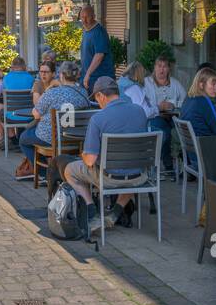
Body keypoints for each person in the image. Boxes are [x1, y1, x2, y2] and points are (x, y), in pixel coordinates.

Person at [59, 77, 149, 235]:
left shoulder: (98, 119)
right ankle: (114, 213)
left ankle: (91, 209)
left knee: (69, 170)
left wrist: (83, 153)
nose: (97, 102)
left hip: (109, 179)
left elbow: (90, 160)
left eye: (96, 98)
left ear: (101, 95)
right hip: (139, 177)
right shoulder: (140, 111)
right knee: (130, 167)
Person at [17, 60, 88, 180]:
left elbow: (36, 114)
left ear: (61, 75)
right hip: (76, 139)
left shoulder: (52, 93)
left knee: (23, 138)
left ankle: (45, 174)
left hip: (51, 138)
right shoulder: (83, 93)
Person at [144, 55, 186, 177]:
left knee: (182, 131)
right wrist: (159, 106)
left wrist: (173, 105)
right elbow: (144, 103)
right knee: (165, 133)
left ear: (169, 69)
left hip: (173, 116)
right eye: (159, 66)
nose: (162, 69)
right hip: (155, 116)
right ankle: (168, 166)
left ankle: (186, 165)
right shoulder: (147, 83)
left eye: (164, 66)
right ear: (155, 68)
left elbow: (185, 101)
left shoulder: (175, 83)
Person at [179, 67, 216, 137]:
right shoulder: (204, 101)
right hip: (206, 144)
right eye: (213, 84)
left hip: (194, 144)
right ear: (201, 85)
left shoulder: (188, 99)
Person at [79, 5, 111, 93]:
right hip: (87, 79)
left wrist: (88, 74)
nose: (84, 20)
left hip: (99, 80)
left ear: (93, 16)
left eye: (87, 17)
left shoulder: (99, 31)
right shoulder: (86, 31)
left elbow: (99, 55)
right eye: (82, 17)